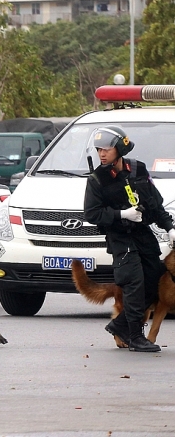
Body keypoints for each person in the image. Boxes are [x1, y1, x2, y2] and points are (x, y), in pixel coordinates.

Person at [84, 126, 175, 352]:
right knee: (134, 283)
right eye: (98, 150)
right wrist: (121, 214)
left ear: (120, 149)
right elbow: (92, 214)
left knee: (155, 279)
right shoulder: (97, 180)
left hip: (143, 234)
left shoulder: (138, 169)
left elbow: (154, 202)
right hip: (120, 237)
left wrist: (170, 227)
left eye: (107, 149)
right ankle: (136, 336)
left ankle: (119, 325)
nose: (102, 154)